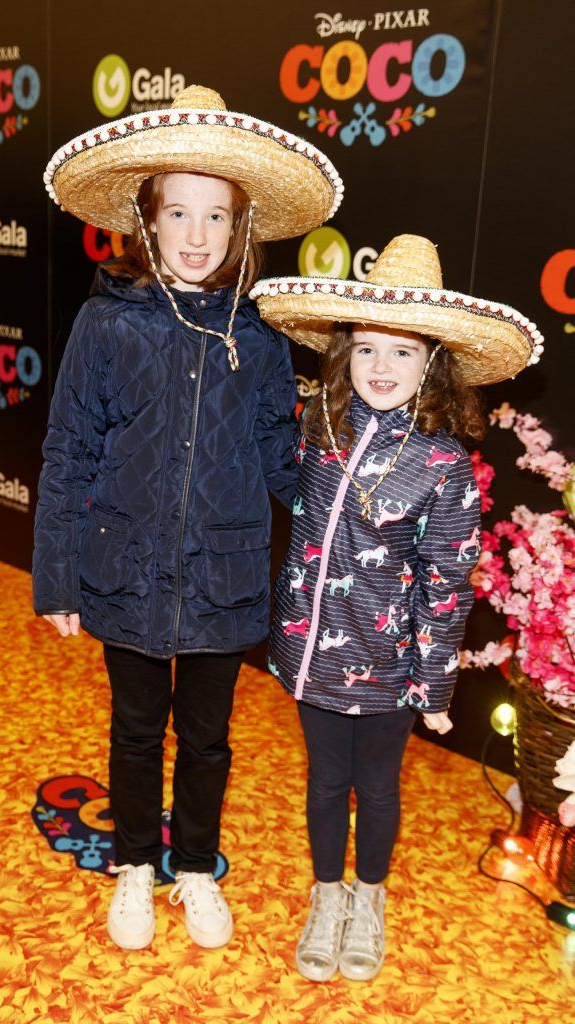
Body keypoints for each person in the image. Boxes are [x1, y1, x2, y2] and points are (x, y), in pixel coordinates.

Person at [33, 85, 342, 951]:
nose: (198, 235)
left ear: (241, 228)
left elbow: (283, 462)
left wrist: (349, 488)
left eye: (217, 216)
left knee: (207, 740)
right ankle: (136, 864)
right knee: (135, 731)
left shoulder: (264, 338)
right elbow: (69, 454)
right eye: (179, 212)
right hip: (125, 573)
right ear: (147, 217)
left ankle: (196, 868)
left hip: (226, 578)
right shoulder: (106, 324)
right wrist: (57, 575)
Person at [251, 234, 542, 981]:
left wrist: (434, 686)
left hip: (390, 670)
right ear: (344, 353)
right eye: (368, 350)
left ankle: (368, 897)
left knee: (376, 787)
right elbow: (296, 503)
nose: (383, 368)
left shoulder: (443, 462)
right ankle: (326, 895)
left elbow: (447, 581)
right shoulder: (320, 430)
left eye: (404, 353)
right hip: (311, 651)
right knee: (323, 783)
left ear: (434, 365)